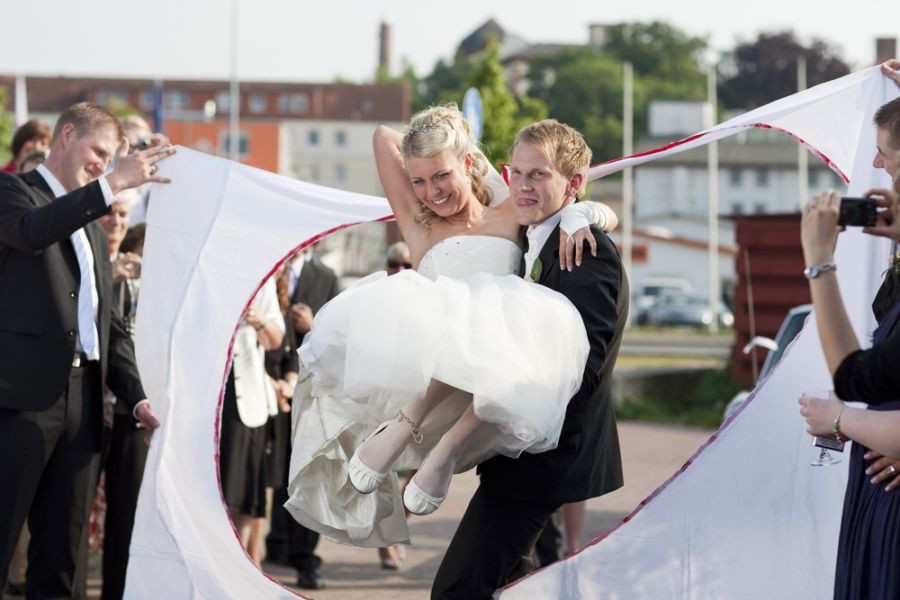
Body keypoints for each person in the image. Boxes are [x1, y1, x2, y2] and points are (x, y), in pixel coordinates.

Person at [285, 104, 618, 551]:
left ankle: (448, 448)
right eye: (419, 180)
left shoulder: (508, 214)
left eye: (441, 176)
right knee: (461, 312)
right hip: (434, 365)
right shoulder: (419, 225)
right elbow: (384, 135)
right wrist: (441, 131)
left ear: (466, 163)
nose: (430, 193)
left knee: (504, 312)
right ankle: (407, 423)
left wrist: (581, 215)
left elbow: (568, 202)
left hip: (490, 370)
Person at [430, 119, 627, 598]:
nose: (522, 185)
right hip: (514, 454)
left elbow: (581, 369)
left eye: (538, 174)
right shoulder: (530, 235)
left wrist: (501, 412)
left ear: (573, 183)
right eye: (516, 173)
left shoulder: (586, 252)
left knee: (457, 589)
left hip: (541, 458)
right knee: (513, 585)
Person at [0, 101, 173, 599]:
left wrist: (137, 396)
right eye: (97, 151)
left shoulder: (94, 232)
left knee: (64, 560)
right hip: (22, 405)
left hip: (86, 405)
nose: (102, 164)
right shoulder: (14, 192)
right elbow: (34, 232)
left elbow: (110, 328)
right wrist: (114, 183)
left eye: (109, 158)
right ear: (66, 134)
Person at [265, 249, 338, 590]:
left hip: (308, 395)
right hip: (263, 390)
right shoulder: (264, 266)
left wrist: (313, 327)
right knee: (270, 474)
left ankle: (305, 558)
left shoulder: (325, 277)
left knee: (304, 473)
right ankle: (272, 545)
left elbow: (340, 336)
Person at [96, 198, 145, 600]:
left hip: (129, 410)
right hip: (87, 402)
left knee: (125, 513)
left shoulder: (142, 273)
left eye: (123, 215)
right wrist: (106, 279)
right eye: (109, 211)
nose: (115, 220)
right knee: (72, 513)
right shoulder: (83, 256)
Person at [219, 279, 284, 566]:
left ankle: (237, 563)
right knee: (217, 488)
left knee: (246, 492)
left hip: (248, 397)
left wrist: (256, 321)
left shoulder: (263, 280)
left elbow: (275, 339)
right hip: (211, 393)